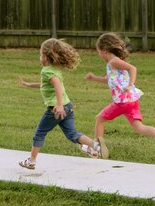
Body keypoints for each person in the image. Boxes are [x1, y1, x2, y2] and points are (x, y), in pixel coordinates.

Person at [85, 32, 155, 158]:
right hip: (131, 101)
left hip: (122, 102)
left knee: (99, 119)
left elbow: (132, 69)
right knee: (139, 128)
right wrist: (94, 78)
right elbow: (109, 80)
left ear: (104, 50)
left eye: (98, 52)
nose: (99, 55)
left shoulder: (114, 62)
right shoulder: (112, 64)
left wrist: (130, 85)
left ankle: (97, 148)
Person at [18, 38, 98, 170]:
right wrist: (27, 84)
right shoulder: (55, 70)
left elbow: (57, 87)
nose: (40, 58)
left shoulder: (46, 70)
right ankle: (94, 145)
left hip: (55, 109)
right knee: (72, 134)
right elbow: (45, 85)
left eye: (40, 55)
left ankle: (31, 161)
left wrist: (59, 105)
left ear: (45, 56)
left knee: (39, 134)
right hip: (68, 107)